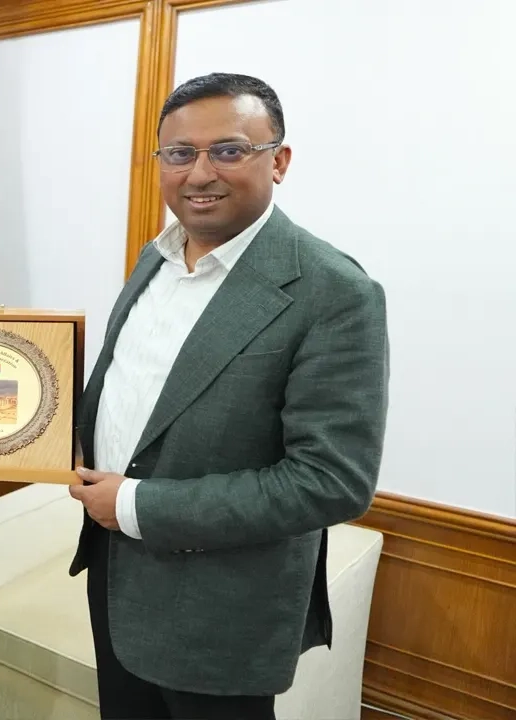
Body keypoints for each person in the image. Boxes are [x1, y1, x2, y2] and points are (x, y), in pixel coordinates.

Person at [68, 72, 389, 719]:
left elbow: (331, 481)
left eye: (229, 150)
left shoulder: (333, 292)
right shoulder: (154, 260)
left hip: (220, 611)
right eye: (179, 153)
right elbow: (133, 390)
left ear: (280, 161)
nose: (199, 173)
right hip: (116, 578)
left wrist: (135, 504)